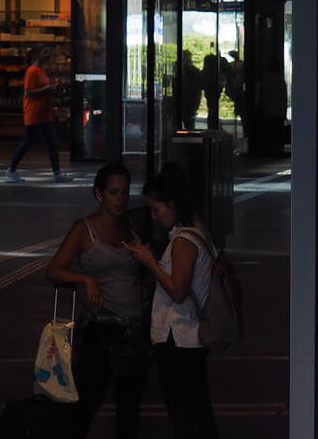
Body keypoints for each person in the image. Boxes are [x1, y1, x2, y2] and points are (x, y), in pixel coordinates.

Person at [45, 163, 151, 439]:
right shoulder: (84, 228)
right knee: (86, 404)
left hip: (134, 327)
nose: (120, 199)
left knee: (129, 408)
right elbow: (54, 270)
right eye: (114, 192)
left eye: (125, 192)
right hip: (101, 328)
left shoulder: (132, 226)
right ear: (99, 194)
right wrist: (86, 280)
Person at [125, 164, 219, 438]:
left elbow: (178, 291)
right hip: (189, 338)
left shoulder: (183, 240)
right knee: (199, 410)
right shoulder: (197, 229)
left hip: (178, 337)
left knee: (182, 413)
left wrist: (150, 262)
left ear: (173, 204)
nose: (153, 217)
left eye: (157, 209)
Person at [6, 46, 70, 182]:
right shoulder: (32, 71)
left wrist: (50, 89)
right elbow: (28, 92)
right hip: (34, 112)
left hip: (44, 112)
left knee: (51, 142)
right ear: (37, 55)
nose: (49, 55)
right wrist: (47, 89)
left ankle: (57, 172)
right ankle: (11, 169)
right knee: (29, 142)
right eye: (45, 52)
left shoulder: (41, 71)